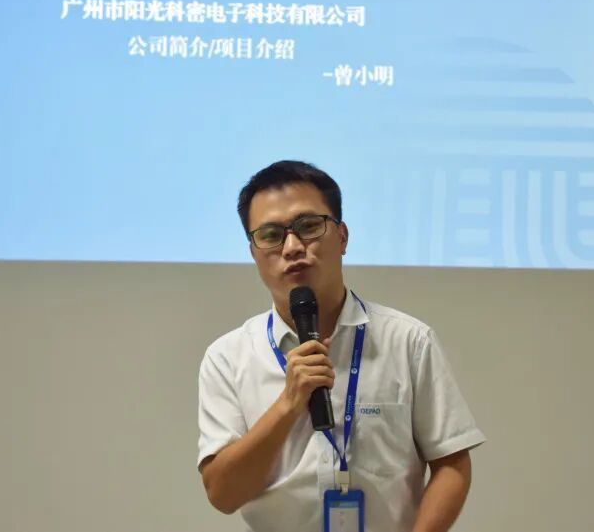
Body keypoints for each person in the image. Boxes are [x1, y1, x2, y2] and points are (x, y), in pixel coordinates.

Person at [197, 160, 486, 532]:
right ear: (254, 252)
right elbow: (223, 494)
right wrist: (288, 403)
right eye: (270, 235)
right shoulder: (227, 357)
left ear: (342, 236)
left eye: (308, 226)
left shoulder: (408, 341)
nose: (292, 247)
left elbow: (452, 464)